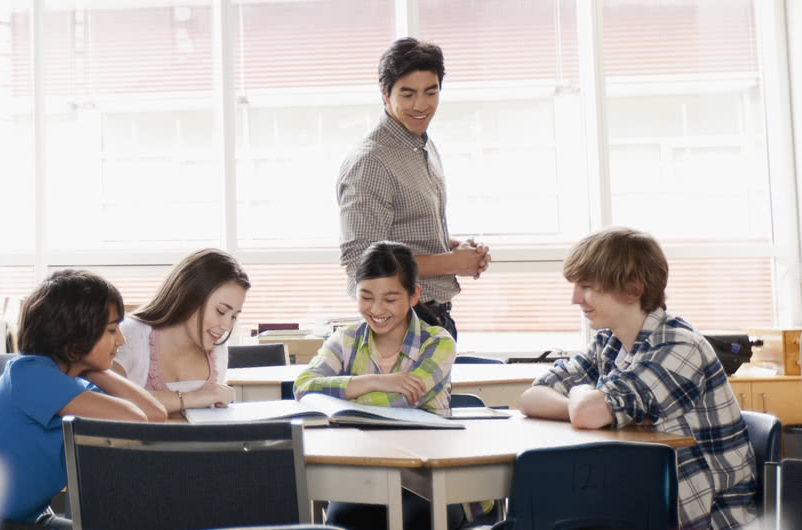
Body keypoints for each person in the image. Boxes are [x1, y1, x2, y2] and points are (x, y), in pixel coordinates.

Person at [518, 227, 756, 529]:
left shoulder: (681, 346)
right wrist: (585, 403)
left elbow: (588, 412)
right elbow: (533, 397)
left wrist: (588, 403)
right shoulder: (610, 343)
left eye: (588, 286)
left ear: (633, 289)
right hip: (642, 504)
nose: (575, 298)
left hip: (702, 519)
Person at [294, 241, 492, 530]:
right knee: (342, 521)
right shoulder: (345, 340)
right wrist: (374, 381)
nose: (376, 309)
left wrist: (341, 403)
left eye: (390, 299)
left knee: (418, 521)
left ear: (413, 296)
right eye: (366, 297)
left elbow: (401, 404)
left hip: (429, 476)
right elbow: (303, 387)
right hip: (364, 473)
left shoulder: (437, 342)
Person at [0, 269, 167, 529]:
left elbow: (155, 415)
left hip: (23, 518)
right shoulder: (30, 374)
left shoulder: (76, 386)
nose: (120, 340)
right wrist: (88, 361)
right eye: (111, 330)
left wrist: (90, 366)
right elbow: (136, 420)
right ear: (75, 336)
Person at [337, 37, 491, 340]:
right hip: (402, 321)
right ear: (385, 93)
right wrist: (450, 263)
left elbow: (400, 232)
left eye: (430, 92)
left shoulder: (421, 145)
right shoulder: (371, 161)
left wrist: (453, 248)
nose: (421, 105)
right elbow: (362, 262)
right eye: (407, 94)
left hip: (434, 316)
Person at [112, 248, 250, 416]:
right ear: (189, 297)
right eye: (221, 311)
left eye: (234, 316)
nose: (227, 326)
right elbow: (110, 400)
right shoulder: (130, 333)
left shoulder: (218, 348)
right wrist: (194, 397)